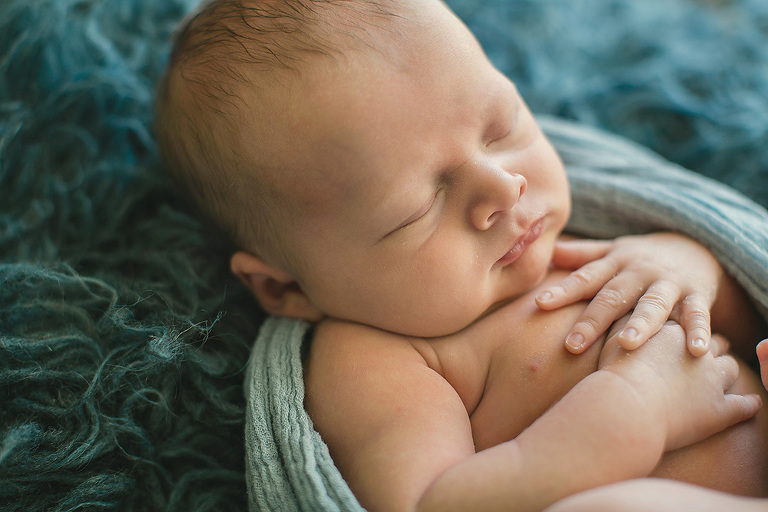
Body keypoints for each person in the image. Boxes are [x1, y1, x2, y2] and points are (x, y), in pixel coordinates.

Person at [154, 0, 768, 510]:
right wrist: (632, 412)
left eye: (502, 129)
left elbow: (739, 312)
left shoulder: (595, 234)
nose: (505, 188)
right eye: (418, 207)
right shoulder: (378, 360)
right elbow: (434, 502)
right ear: (286, 289)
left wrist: (692, 264)